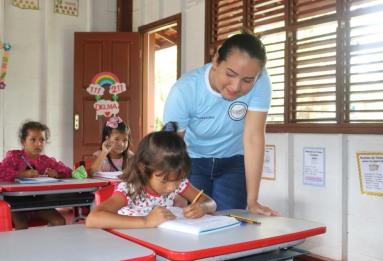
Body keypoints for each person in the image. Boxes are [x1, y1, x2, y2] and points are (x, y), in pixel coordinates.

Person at [163, 30, 281, 216]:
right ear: (216, 60)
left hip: (233, 162)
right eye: (230, 74)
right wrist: (172, 188)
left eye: (247, 80)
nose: (236, 87)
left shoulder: (261, 82)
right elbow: (170, 146)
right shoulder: (185, 90)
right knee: (193, 220)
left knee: (230, 224)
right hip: (193, 162)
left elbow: (253, 138)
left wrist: (253, 201)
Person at [86, 122, 216, 229]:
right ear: (145, 168)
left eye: (177, 180)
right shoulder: (130, 189)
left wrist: (203, 207)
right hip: (130, 245)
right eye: (164, 181)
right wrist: (146, 221)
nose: (172, 188)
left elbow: (210, 203)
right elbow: (93, 218)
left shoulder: (178, 183)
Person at [0, 120, 72, 229]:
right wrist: (21, 174)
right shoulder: (14, 157)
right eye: (33, 140)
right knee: (22, 225)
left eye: (41, 140)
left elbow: (68, 171)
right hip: (16, 205)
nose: (38, 144)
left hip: (40, 204)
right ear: (23, 142)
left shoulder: (46, 160)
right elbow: (2, 172)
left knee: (59, 221)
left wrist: (57, 174)